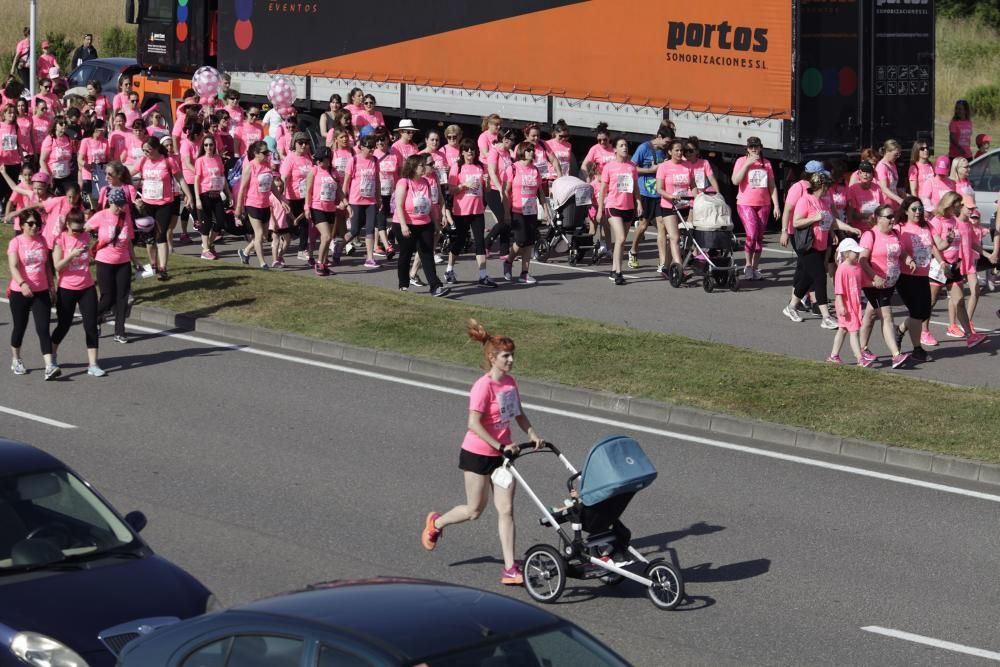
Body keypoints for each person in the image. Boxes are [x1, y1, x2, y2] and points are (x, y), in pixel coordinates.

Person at [421, 319, 545, 586]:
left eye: (512, 355)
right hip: (477, 454)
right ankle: (436, 524)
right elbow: (473, 424)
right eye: (506, 356)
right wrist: (499, 445)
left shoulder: (510, 383)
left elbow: (518, 414)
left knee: (506, 510)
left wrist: (532, 434)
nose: (511, 360)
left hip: (503, 458)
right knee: (474, 511)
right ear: (492, 358)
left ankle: (510, 568)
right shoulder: (483, 386)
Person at [783, 172, 859, 329]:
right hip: (807, 245)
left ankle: (791, 307)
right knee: (819, 277)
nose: (829, 189)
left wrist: (849, 228)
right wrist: (814, 218)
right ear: (822, 186)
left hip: (821, 245)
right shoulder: (805, 200)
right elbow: (797, 222)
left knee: (807, 278)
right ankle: (826, 317)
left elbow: (832, 222)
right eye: (828, 186)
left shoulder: (824, 202)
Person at [50, 210, 105, 377]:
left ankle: (93, 364)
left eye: (81, 229)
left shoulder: (85, 237)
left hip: (86, 287)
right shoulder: (60, 240)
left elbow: (88, 257)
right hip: (67, 287)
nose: (78, 233)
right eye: (75, 230)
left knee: (91, 325)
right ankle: (51, 356)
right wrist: (72, 255)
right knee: (64, 325)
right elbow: (57, 267)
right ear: (67, 225)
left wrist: (90, 255)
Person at [857, 205, 911, 369]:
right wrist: (875, 276)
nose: (892, 219)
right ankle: (896, 355)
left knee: (870, 316)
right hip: (873, 283)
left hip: (889, 283)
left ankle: (862, 350)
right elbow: (862, 260)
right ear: (878, 218)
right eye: (888, 217)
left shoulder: (895, 234)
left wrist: (908, 259)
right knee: (887, 316)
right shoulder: (870, 235)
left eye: (893, 216)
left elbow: (900, 252)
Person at [7, 210, 59, 378]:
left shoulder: (43, 241)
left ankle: (49, 366)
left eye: (37, 223)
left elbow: (47, 267)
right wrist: (23, 284)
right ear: (22, 225)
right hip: (19, 291)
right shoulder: (16, 242)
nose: (35, 226)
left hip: (41, 291)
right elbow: (13, 267)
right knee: (19, 328)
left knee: (43, 328)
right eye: (30, 223)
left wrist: (52, 286)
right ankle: (16, 359)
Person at [135, 136, 193, 280]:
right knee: (149, 238)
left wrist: (189, 195)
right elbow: (128, 173)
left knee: (161, 236)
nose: (146, 153)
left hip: (164, 204)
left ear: (156, 149)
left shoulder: (168, 161)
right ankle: (153, 265)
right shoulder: (143, 161)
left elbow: (180, 178)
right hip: (147, 204)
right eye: (144, 151)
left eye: (148, 150)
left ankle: (163, 269)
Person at [87, 188, 138, 345]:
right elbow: (84, 230)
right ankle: (95, 318)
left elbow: (128, 240)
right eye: (118, 205)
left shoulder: (125, 217)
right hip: (104, 261)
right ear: (110, 202)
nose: (120, 208)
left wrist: (135, 261)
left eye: (123, 205)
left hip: (123, 262)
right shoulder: (101, 216)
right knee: (107, 297)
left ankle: (120, 331)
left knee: (122, 298)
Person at [393, 154, 448, 296]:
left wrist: (436, 224)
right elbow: (399, 206)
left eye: (425, 165)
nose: (424, 168)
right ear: (413, 167)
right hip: (405, 223)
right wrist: (404, 226)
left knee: (427, 254)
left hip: (424, 223)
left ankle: (435, 286)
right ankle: (403, 284)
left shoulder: (425, 182)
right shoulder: (404, 182)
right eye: (421, 165)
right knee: (406, 254)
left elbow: (429, 205)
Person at [447, 138, 495, 287]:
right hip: (462, 210)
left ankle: (483, 275)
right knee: (460, 241)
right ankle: (449, 269)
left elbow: (486, 190)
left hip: (478, 209)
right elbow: (451, 190)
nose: (470, 152)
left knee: (480, 241)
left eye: (472, 150)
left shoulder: (481, 166)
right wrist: (464, 185)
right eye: (467, 150)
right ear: (462, 152)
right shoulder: (457, 167)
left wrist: (487, 182)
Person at [732, 136, 780, 279]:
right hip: (745, 203)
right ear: (747, 149)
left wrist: (776, 205)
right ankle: (747, 265)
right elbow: (735, 181)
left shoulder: (766, 163)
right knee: (751, 234)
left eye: (756, 147)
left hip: (764, 204)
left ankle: (755, 267)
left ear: (760, 148)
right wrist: (747, 164)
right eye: (751, 147)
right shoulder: (741, 161)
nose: (754, 150)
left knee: (759, 237)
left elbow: (772, 185)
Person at [503, 142, 551, 284]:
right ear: (522, 152)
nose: (531, 152)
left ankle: (524, 273)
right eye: (528, 150)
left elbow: (540, 192)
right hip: (517, 209)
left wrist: (546, 211)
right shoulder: (513, 168)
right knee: (521, 240)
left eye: (532, 150)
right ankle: (508, 261)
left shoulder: (535, 170)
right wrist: (506, 211)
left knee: (529, 242)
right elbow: (505, 190)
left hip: (531, 210)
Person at [598, 137, 641, 285]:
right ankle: (618, 272)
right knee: (621, 238)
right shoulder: (609, 167)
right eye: (621, 145)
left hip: (628, 207)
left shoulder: (632, 167)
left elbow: (635, 187)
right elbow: (603, 188)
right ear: (615, 149)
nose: (625, 148)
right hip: (613, 206)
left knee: (620, 243)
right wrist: (599, 209)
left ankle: (613, 269)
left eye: (626, 145)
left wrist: (639, 203)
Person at [627, 127, 669, 270]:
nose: (666, 145)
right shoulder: (643, 148)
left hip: (659, 193)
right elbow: (632, 168)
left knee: (661, 225)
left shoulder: (665, 151)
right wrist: (650, 170)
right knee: (644, 225)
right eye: (666, 142)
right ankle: (633, 251)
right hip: (645, 192)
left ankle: (663, 262)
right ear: (659, 136)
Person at [235, 140, 281, 269]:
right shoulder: (250, 166)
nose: (267, 155)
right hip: (252, 204)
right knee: (259, 234)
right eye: (265, 152)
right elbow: (242, 188)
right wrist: (239, 207)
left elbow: (272, 186)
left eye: (268, 152)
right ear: (256, 153)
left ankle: (245, 252)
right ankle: (262, 263)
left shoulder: (267, 166)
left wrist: (282, 199)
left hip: (265, 205)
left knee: (265, 236)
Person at [655, 139, 695, 276]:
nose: (679, 153)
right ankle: (679, 269)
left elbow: (693, 186)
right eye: (676, 150)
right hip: (669, 206)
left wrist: (697, 200)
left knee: (679, 239)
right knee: (675, 238)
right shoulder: (664, 167)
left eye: (681, 150)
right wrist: (671, 196)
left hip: (684, 205)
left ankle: (666, 266)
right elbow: (659, 189)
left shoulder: (688, 166)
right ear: (670, 152)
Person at [304, 146, 346, 275]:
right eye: (318, 160)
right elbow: (308, 191)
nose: (319, 162)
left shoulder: (334, 172)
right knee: (326, 236)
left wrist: (346, 203)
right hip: (317, 208)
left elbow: (339, 190)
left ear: (329, 160)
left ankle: (324, 264)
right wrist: (307, 207)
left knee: (327, 239)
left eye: (322, 160)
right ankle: (318, 263)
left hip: (331, 209)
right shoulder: (314, 171)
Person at [343, 133, 381, 268]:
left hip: (370, 201)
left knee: (370, 229)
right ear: (362, 147)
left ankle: (370, 258)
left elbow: (377, 181)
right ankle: (338, 247)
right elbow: (346, 182)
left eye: (373, 147)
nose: (372, 150)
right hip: (356, 200)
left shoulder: (375, 161)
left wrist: (379, 198)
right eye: (369, 147)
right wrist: (345, 200)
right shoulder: (353, 160)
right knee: (354, 230)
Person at [193, 132, 233, 260]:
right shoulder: (200, 161)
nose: (208, 147)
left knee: (220, 222)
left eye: (211, 145)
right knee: (207, 223)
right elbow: (197, 180)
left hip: (217, 194)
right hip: (205, 193)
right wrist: (197, 198)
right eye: (206, 145)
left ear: (214, 146)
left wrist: (229, 194)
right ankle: (205, 250)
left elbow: (223, 177)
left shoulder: (217, 159)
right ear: (203, 147)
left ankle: (209, 244)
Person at [828, 238, 866, 366]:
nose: (857, 254)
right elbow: (838, 291)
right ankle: (860, 358)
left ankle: (834, 355)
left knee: (843, 329)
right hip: (845, 306)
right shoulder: (842, 270)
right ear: (845, 254)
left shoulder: (857, 267)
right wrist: (842, 306)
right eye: (855, 252)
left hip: (854, 304)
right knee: (854, 331)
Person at [875, 139, 905, 208]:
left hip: (893, 202)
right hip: (885, 203)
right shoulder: (881, 166)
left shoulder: (892, 164)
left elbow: (893, 186)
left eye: (899, 154)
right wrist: (899, 199)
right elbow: (884, 188)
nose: (898, 157)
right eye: (896, 154)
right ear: (887, 151)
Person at [907, 140, 934, 210]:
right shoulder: (914, 167)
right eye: (922, 149)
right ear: (917, 151)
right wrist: (918, 205)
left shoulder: (931, 165)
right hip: (922, 203)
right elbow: (913, 190)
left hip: (933, 202)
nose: (925, 150)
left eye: (927, 148)